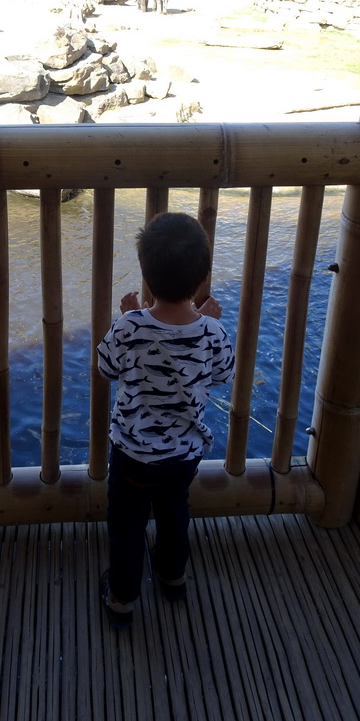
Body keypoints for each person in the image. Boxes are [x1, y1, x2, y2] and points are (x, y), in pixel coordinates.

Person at [97, 211, 235, 629]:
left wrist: (125, 318)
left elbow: (106, 368)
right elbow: (222, 374)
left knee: (126, 525)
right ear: (202, 277)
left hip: (133, 455)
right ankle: (173, 579)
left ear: (146, 275)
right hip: (183, 454)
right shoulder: (212, 332)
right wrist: (208, 320)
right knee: (175, 513)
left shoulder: (129, 326)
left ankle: (122, 599)